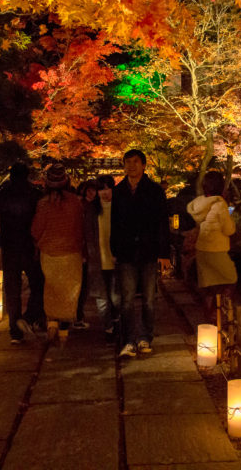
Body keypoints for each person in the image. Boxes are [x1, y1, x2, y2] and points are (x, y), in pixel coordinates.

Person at [110, 149, 172, 358]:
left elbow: (162, 223)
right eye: (128, 162)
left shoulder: (154, 190)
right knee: (126, 299)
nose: (131, 166)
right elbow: (114, 224)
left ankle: (146, 336)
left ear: (144, 165)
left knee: (149, 299)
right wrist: (114, 249)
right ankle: (128, 339)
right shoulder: (118, 192)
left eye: (135, 162)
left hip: (148, 250)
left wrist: (164, 254)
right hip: (126, 251)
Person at [30, 163, 84, 345]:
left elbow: (36, 229)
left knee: (51, 288)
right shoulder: (76, 202)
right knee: (69, 290)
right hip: (71, 251)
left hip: (49, 252)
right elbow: (81, 227)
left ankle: (52, 323)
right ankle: (63, 330)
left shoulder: (43, 204)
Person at [0, 162, 46, 344]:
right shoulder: (35, 195)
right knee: (38, 283)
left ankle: (14, 330)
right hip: (29, 245)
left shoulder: (2, 195)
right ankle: (29, 317)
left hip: (9, 246)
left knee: (12, 289)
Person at [187, 171, 237, 319]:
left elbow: (210, 218)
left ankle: (210, 321)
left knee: (208, 288)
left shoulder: (201, 202)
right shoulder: (220, 203)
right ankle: (223, 316)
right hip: (216, 249)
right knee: (230, 280)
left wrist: (228, 210)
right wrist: (230, 215)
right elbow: (228, 229)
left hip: (202, 248)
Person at [74, 179, 103, 330]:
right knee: (82, 285)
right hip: (83, 251)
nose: (92, 193)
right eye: (89, 190)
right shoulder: (82, 206)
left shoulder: (95, 207)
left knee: (85, 285)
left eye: (94, 190)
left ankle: (78, 315)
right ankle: (77, 315)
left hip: (92, 250)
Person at [95, 174, 120, 338]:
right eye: (101, 189)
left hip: (116, 258)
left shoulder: (120, 207)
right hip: (98, 259)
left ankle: (117, 322)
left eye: (107, 188)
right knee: (102, 298)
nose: (104, 192)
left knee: (116, 296)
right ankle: (108, 327)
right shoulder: (92, 210)